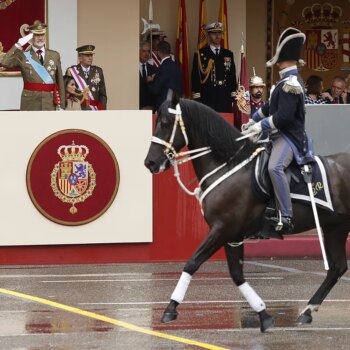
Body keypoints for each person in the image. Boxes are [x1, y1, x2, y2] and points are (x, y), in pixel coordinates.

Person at [243, 27, 314, 233]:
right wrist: (252, 121)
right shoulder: (283, 82)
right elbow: (267, 108)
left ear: (284, 59)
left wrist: (260, 126)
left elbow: (283, 117)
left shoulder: (292, 83)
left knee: (275, 167)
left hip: (289, 138)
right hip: (276, 135)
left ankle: (286, 214)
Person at [1, 20, 65, 111]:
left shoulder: (54, 55)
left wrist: (62, 105)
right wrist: (18, 44)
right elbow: (4, 62)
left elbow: (60, 81)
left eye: (42, 35)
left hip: (49, 102)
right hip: (30, 103)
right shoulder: (23, 55)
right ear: (30, 37)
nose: (40, 38)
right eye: (37, 35)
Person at [191, 22, 237, 113]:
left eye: (219, 33)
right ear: (208, 35)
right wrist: (197, 98)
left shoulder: (228, 54)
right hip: (208, 97)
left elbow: (232, 75)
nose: (217, 36)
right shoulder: (201, 54)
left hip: (224, 96)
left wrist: (233, 96)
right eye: (214, 33)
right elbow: (195, 77)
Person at [66, 45, 107, 110]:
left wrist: (102, 110)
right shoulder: (71, 71)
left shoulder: (98, 71)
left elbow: (103, 95)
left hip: (94, 110)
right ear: (80, 57)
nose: (90, 58)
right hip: (78, 109)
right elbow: (68, 94)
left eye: (91, 55)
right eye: (87, 55)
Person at [148, 41, 183, 111]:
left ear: (158, 52)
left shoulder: (162, 68)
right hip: (175, 106)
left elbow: (155, 91)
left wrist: (149, 81)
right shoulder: (175, 66)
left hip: (164, 108)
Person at [139, 40, 157, 110]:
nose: (146, 54)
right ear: (138, 52)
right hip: (136, 109)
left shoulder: (153, 69)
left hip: (150, 108)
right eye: (144, 51)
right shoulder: (132, 69)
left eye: (148, 51)